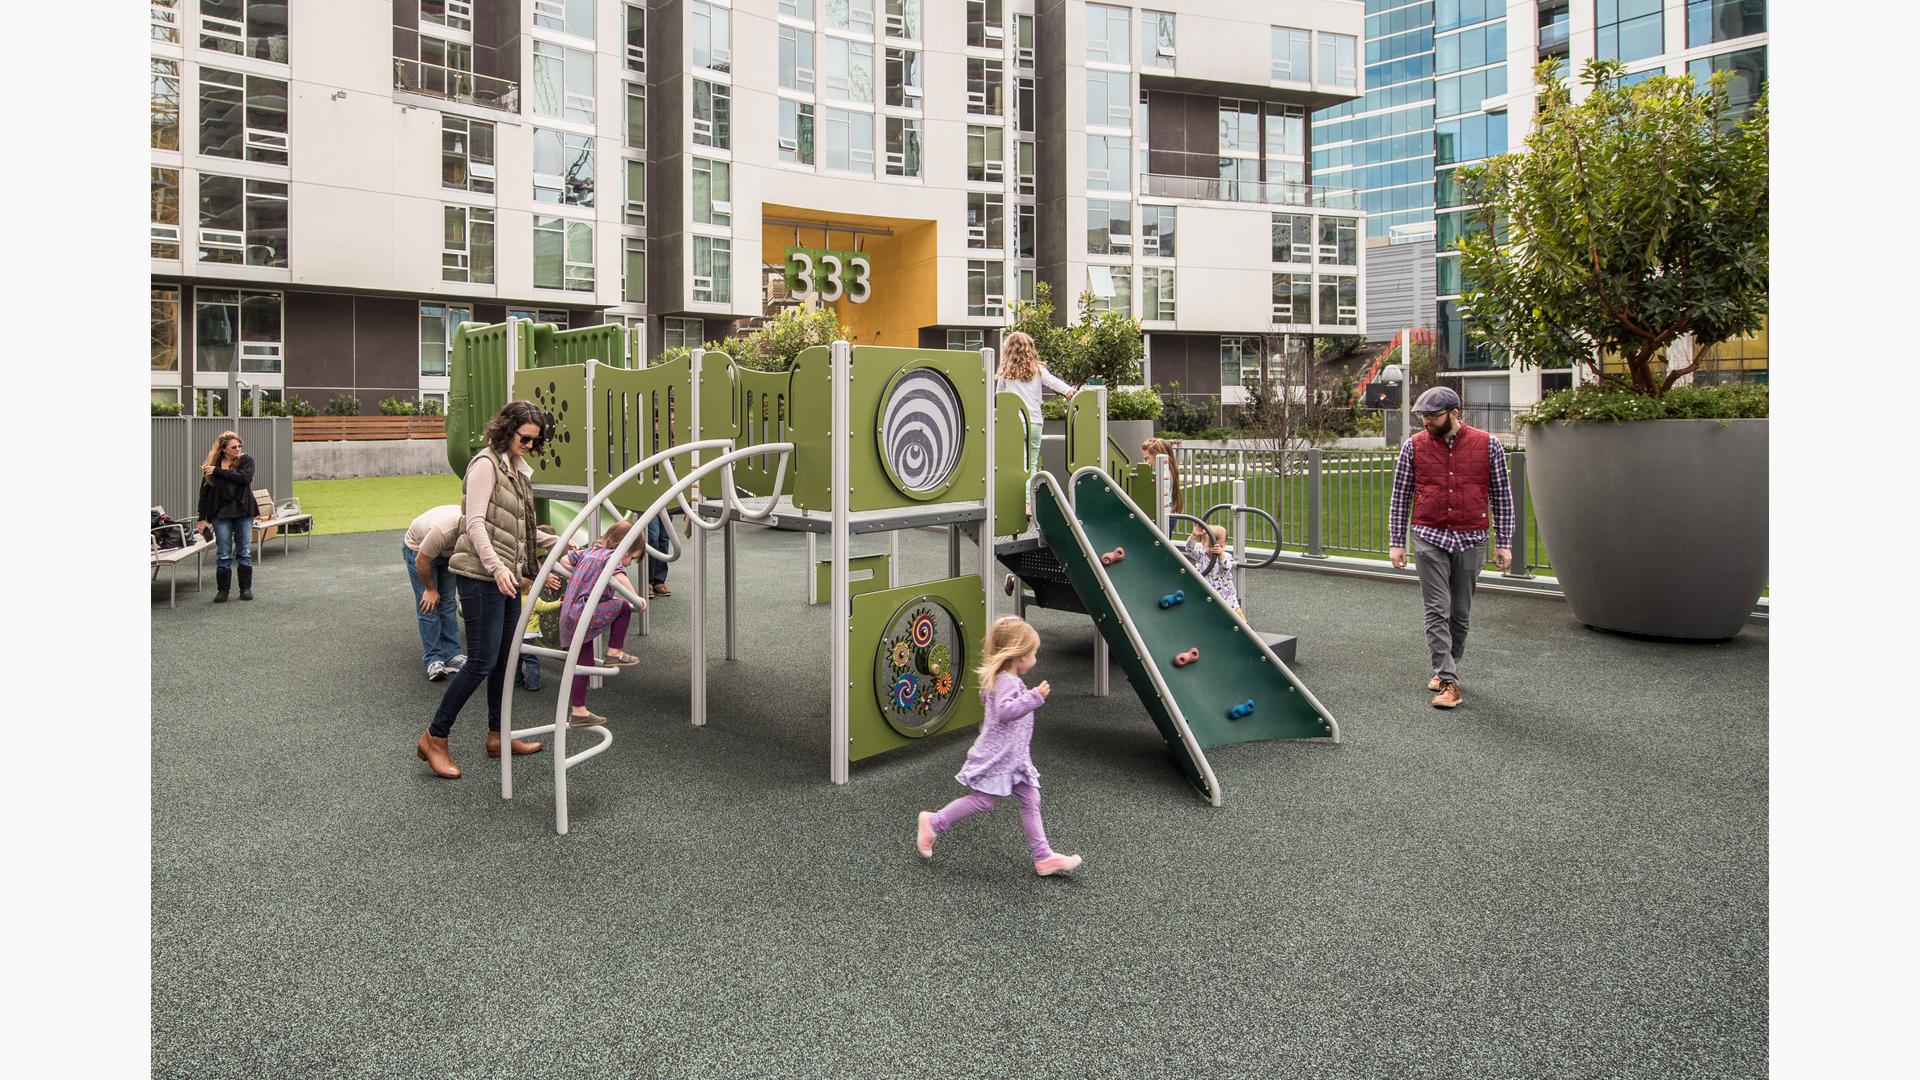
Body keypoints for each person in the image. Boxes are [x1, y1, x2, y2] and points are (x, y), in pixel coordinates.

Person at [417, 401, 553, 779]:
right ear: (507, 429)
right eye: (525, 438)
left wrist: (556, 543)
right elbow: (475, 524)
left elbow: (516, 529)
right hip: (480, 576)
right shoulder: (485, 465)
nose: (529, 445)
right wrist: (496, 568)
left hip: (504, 577)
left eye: (535, 440)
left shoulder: (517, 470)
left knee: (506, 659)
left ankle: (498, 735)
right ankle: (435, 736)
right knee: (480, 661)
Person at [915, 616, 1083, 877]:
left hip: (1015, 759)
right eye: (1034, 653)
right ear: (1019, 656)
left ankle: (1043, 856)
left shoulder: (1006, 679)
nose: (1035, 658)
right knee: (983, 800)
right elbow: (1005, 712)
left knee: (1031, 798)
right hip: (999, 757)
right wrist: (1034, 697)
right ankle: (934, 822)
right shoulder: (1006, 681)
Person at [1387, 386, 1515, 710]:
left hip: (1472, 537)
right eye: (1423, 416)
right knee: (1436, 609)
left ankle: (1447, 664)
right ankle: (1449, 681)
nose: (1426, 422)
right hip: (1429, 535)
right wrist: (1396, 542)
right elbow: (1400, 497)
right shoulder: (1412, 447)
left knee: (1460, 613)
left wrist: (1505, 542)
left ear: (1454, 414)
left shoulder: (1489, 445)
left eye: (1433, 416)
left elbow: (1502, 496)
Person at [556, 520, 648, 727]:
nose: (629, 563)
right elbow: (619, 578)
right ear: (627, 549)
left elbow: (563, 561)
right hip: (584, 611)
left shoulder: (590, 552)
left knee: (582, 664)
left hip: (569, 612)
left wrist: (581, 572)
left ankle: (579, 711)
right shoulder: (611, 558)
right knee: (623, 607)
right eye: (632, 558)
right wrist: (636, 598)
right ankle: (614, 652)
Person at [995, 330, 1073, 479]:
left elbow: (999, 398)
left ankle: (1021, 497)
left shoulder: (1006, 373)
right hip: (1035, 422)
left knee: (1016, 464)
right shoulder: (1037, 370)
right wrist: (1068, 390)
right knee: (1031, 464)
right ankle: (1029, 498)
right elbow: (1053, 382)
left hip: (1014, 423)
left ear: (1008, 350)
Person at [404, 504, 468, 682]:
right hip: (419, 551)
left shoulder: (475, 529)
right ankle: (434, 659)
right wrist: (430, 589)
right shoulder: (443, 530)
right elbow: (422, 560)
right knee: (429, 605)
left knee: (448, 603)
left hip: (447, 553)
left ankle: (453, 655)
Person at [196, 430, 259, 604]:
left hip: (243, 512)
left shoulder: (246, 461)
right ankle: (223, 591)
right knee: (223, 553)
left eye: (239, 446)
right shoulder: (212, 465)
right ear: (224, 449)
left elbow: (244, 478)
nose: (238, 449)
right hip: (220, 514)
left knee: (244, 551)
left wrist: (219, 471)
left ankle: (245, 589)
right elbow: (204, 494)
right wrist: (201, 518)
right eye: (233, 447)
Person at [1185, 521, 1242, 618]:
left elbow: (1226, 567)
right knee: (1210, 616)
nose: (1215, 549)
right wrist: (1194, 535)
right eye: (1210, 546)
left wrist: (1220, 555)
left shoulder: (1226, 556)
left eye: (1220, 546)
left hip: (1226, 595)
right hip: (1207, 593)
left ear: (1225, 544)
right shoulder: (1201, 555)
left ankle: (1244, 626)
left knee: (1235, 614)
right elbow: (1189, 549)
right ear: (1203, 543)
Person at [1139, 436, 1185, 518]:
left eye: (1147, 458)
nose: (1146, 462)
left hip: (1165, 517)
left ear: (1157, 456)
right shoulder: (1169, 471)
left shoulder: (1164, 474)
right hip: (1169, 514)